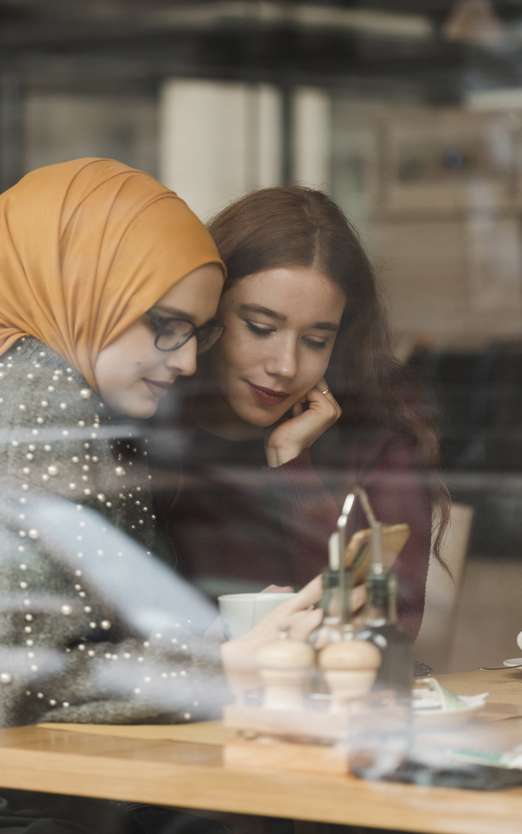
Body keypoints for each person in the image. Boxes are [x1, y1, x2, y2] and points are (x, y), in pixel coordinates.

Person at [0, 159, 324, 834]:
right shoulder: (38, 395)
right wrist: (230, 664)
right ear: (84, 289)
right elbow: (34, 679)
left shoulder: (60, 393)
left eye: (196, 332)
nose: (183, 361)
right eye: (164, 324)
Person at [153, 185, 447, 641]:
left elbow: (386, 631)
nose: (285, 367)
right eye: (261, 328)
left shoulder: (378, 433)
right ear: (207, 312)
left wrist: (293, 466)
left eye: (316, 340)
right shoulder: (154, 417)